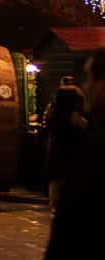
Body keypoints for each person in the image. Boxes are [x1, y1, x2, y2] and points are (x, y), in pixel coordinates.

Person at [36, 49, 105, 260]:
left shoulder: (94, 150)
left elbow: (73, 227)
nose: (86, 89)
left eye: (90, 79)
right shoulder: (86, 134)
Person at [42, 79, 89, 212]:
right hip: (72, 149)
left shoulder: (55, 105)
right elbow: (79, 121)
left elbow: (48, 122)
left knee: (56, 180)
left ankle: (55, 208)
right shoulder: (76, 98)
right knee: (70, 179)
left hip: (56, 147)